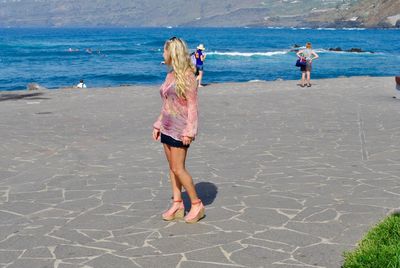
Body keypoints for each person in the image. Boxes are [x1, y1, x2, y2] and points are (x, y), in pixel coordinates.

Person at [152, 37, 205, 224]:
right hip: (166, 128)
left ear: (172, 53)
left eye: (164, 51)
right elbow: (166, 104)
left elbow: (192, 107)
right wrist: (158, 124)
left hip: (181, 130)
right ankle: (177, 204)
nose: (162, 54)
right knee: (172, 169)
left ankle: (197, 204)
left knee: (178, 168)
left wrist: (190, 131)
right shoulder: (170, 75)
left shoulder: (188, 77)